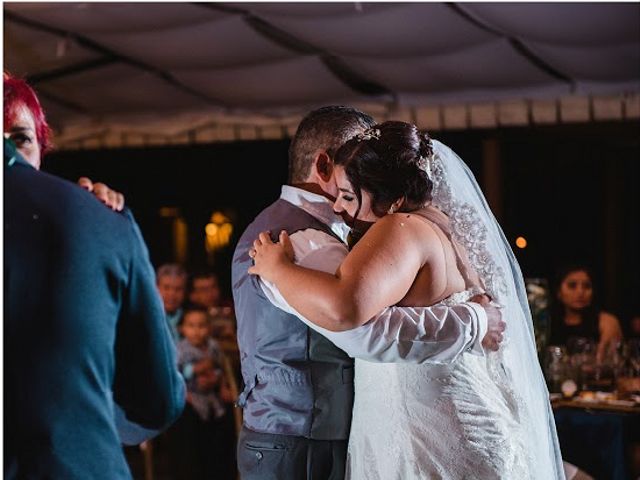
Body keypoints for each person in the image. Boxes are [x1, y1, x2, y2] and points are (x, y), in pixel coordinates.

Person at [249, 121, 564, 478]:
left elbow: (345, 308)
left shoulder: (399, 228)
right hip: (469, 422)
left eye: (349, 196)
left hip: (427, 435)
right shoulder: (447, 227)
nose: (338, 206)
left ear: (395, 200)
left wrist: (278, 271)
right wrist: (475, 322)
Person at [4, 75, 185, 479]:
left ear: (42, 149)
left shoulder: (97, 216)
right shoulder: (101, 221)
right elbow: (159, 399)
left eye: (21, 137)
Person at [167, 307, 232, 480]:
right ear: (183, 328)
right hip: (190, 397)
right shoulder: (179, 349)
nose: (197, 331)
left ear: (209, 328)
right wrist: (195, 370)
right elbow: (173, 374)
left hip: (211, 398)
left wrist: (219, 381)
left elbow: (221, 368)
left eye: (202, 326)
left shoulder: (213, 346)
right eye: (191, 326)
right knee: (191, 439)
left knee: (218, 436)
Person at [549, 265, 623, 360]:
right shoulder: (547, 323)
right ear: (558, 292)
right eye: (572, 286)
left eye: (587, 286)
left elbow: (609, 360)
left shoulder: (605, 321)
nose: (580, 292)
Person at [156, 263, 188, 342]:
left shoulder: (192, 316)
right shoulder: (145, 317)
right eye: (166, 288)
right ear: (156, 288)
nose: (172, 294)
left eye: (178, 289)